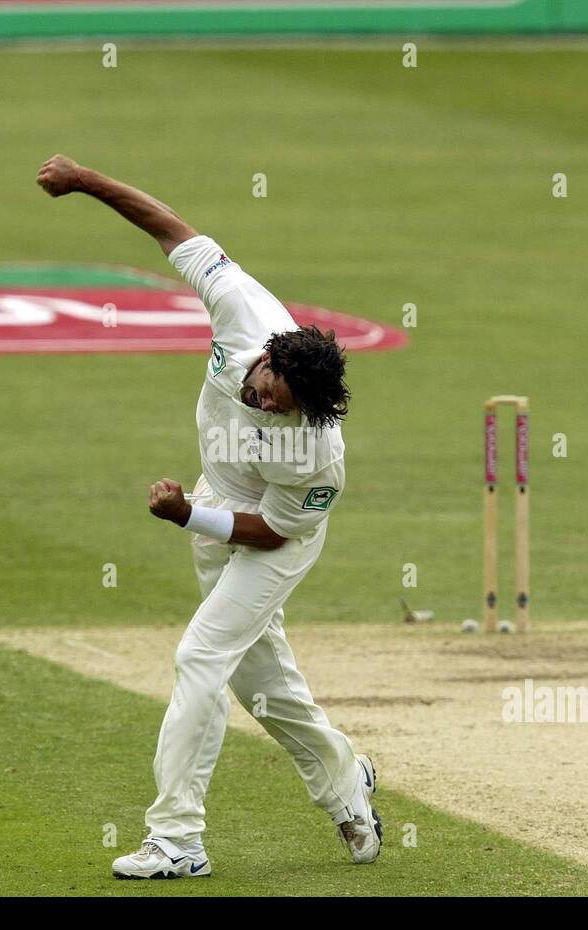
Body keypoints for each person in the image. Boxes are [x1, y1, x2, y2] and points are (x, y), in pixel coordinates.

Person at [36, 154, 381, 878]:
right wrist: (84, 180)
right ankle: (347, 786)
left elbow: (278, 532)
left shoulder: (319, 452)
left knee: (199, 657)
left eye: (279, 403)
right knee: (261, 685)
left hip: (271, 538)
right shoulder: (242, 308)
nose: (262, 399)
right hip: (216, 502)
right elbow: (169, 229)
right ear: (269, 355)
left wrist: (191, 516)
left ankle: (177, 839)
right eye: (264, 385)